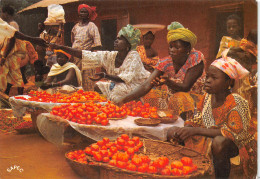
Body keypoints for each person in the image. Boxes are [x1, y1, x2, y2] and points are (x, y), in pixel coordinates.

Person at [167, 57, 256, 179]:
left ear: (228, 82)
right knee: (173, 132)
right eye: (207, 76)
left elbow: (232, 133)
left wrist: (195, 130)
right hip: (210, 137)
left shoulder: (236, 102)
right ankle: (182, 172)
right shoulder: (207, 98)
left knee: (219, 142)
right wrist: (188, 128)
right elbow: (197, 119)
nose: (207, 81)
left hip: (235, 145)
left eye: (214, 78)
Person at [116, 22, 205, 119]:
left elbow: (185, 87)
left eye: (177, 47)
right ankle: (159, 120)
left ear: (187, 47)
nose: (172, 50)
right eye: (171, 46)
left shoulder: (195, 57)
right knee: (150, 94)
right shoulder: (165, 62)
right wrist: (123, 100)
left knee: (180, 98)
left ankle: (183, 126)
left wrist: (167, 82)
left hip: (195, 97)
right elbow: (146, 85)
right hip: (173, 95)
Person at [50, 24, 150, 102]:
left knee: (117, 91)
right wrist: (61, 47)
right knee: (97, 86)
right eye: (116, 38)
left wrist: (105, 75)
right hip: (118, 84)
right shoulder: (110, 56)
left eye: (120, 39)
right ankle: (108, 105)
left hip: (136, 86)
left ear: (128, 44)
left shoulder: (134, 55)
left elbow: (125, 79)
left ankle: (118, 109)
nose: (116, 41)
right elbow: (85, 54)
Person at [0, 18, 47, 94]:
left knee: (15, 78)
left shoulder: (15, 39)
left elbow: (13, 35)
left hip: (11, 57)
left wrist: (4, 57)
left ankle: (18, 97)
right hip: (9, 57)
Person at [71, 4, 102, 91]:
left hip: (87, 58)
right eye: (81, 12)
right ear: (79, 13)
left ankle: (89, 101)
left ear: (88, 14)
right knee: (76, 81)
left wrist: (86, 53)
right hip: (76, 58)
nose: (83, 14)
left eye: (85, 12)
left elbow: (97, 44)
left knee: (88, 81)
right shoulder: (75, 27)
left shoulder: (91, 26)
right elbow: (73, 42)